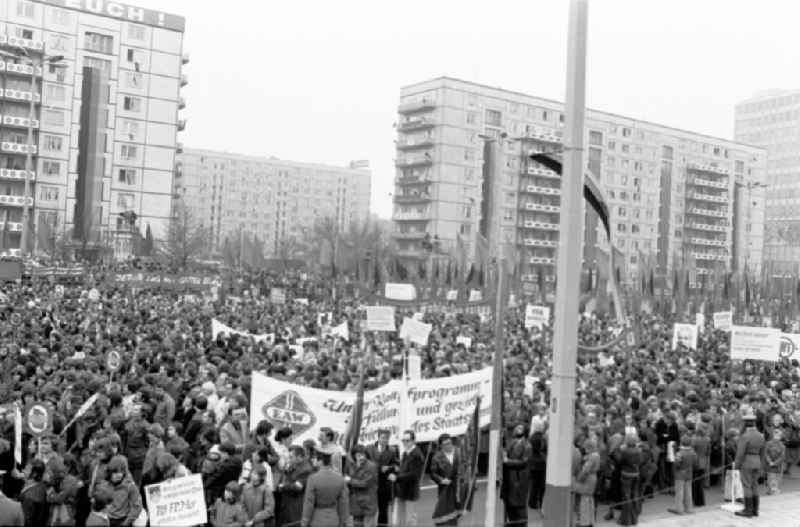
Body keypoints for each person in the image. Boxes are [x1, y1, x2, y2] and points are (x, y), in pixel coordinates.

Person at [301, 443, 350, 527]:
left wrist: (305, 521)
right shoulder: (340, 478)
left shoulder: (312, 479)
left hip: (317, 519)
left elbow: (309, 503)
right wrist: (344, 521)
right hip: (334, 519)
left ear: (320, 461)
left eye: (314, 458)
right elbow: (343, 502)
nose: (312, 460)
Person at [95, 455, 144, 527]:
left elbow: (137, 507)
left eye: (121, 472)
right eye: (115, 472)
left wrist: (126, 522)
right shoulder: (104, 484)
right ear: (110, 471)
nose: (118, 475)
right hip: (105, 520)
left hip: (122, 521)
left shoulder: (130, 486)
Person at [389, 430, 424, 527]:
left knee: (409, 520)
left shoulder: (417, 454)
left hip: (410, 492)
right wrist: (397, 470)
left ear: (413, 441)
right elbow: (404, 470)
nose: (404, 442)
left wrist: (397, 478)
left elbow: (414, 474)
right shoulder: (405, 453)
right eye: (403, 440)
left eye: (407, 440)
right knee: (401, 518)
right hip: (402, 490)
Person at [735, 407, 765, 518]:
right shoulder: (760, 435)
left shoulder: (745, 436)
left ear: (745, 424)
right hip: (757, 461)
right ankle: (755, 510)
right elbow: (763, 452)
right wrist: (761, 465)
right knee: (754, 485)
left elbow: (740, 453)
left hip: (747, 462)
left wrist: (737, 465)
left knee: (746, 486)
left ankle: (748, 510)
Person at [501, 424, 532, 527]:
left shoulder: (527, 445)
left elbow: (524, 462)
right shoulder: (511, 442)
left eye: (520, 428)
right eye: (516, 427)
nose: (517, 429)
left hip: (519, 481)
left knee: (519, 508)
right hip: (509, 480)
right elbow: (506, 452)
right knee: (510, 506)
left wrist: (508, 461)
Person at [366, 428, 397, 527]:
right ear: (378, 438)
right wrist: (380, 468)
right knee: (370, 509)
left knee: (383, 509)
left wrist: (389, 468)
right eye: (383, 438)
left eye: (387, 438)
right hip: (371, 483)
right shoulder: (369, 449)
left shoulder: (392, 450)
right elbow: (365, 464)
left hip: (384, 485)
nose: (385, 440)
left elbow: (396, 465)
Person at [277, 445, 313, 527]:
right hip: (287, 504)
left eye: (291, 457)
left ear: (299, 457)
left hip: (296, 505)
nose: (289, 459)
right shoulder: (293, 465)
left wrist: (283, 486)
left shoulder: (306, 469)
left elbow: (298, 487)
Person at [430, 434, 460, 527]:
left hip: (458, 489)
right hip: (445, 491)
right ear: (441, 446)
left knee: (457, 514)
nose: (449, 445)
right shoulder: (436, 457)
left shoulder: (459, 453)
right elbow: (433, 473)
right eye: (445, 444)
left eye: (450, 443)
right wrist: (441, 480)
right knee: (444, 515)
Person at [346, 444, 378, 527]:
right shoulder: (352, 465)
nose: (361, 457)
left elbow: (365, 483)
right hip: (356, 502)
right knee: (356, 524)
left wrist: (350, 480)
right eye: (358, 455)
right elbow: (347, 476)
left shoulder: (371, 466)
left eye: (363, 454)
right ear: (354, 455)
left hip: (368, 503)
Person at [615, 433, 642, 526]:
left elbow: (620, 461)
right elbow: (640, 462)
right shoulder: (639, 450)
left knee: (626, 497)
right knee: (634, 496)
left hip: (626, 475)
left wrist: (619, 449)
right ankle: (635, 518)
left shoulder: (625, 451)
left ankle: (627, 520)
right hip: (636, 474)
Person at [573, 438, 600, 527]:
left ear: (589, 447)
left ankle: (584, 522)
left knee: (584, 501)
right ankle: (590, 520)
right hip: (593, 478)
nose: (584, 449)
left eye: (585, 448)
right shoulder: (596, 455)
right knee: (590, 500)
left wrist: (578, 479)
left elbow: (585, 470)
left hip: (587, 479)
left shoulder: (592, 457)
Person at [668, 435, 697, 516]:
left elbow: (676, 464)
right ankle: (689, 508)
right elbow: (695, 463)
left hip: (680, 474)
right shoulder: (693, 452)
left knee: (679, 492)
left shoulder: (680, 453)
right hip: (689, 473)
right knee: (688, 491)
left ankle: (679, 509)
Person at [19, 459, 48, 527]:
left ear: (34, 474)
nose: (23, 471)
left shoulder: (29, 497)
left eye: (26, 469)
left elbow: (26, 521)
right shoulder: (41, 485)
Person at [527, 419, 547, 513]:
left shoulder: (531, 437)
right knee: (540, 484)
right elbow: (543, 448)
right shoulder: (541, 438)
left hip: (532, 462)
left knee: (534, 484)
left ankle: (532, 502)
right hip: (540, 463)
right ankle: (538, 501)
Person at [764, 428, 786, 495]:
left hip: (778, 466)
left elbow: (782, 457)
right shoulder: (768, 444)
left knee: (777, 479)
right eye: (776, 435)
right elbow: (766, 453)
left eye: (778, 436)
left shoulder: (782, 446)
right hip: (770, 465)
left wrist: (775, 463)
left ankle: (774, 491)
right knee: (770, 478)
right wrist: (769, 461)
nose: (777, 437)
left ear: (780, 437)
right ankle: (771, 491)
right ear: (773, 435)